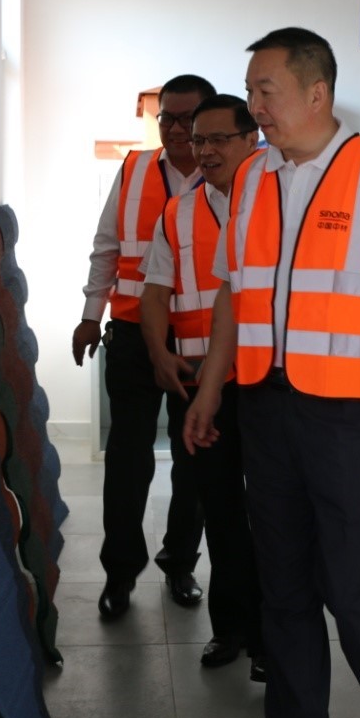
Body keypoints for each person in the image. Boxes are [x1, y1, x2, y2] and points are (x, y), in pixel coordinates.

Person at [183, 27, 360, 718]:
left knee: (351, 583)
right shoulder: (253, 177)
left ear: (316, 93)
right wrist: (210, 389)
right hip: (265, 409)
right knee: (282, 586)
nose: (255, 106)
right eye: (250, 91)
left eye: (265, 90)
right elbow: (232, 292)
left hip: (350, 416)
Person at [71, 74, 213, 619]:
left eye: (187, 119)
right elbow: (106, 245)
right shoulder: (133, 169)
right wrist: (90, 315)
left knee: (194, 458)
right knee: (128, 460)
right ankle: (120, 572)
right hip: (131, 333)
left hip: (198, 338)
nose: (176, 129)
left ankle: (180, 564)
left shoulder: (234, 174)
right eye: (167, 118)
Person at [139, 94, 266, 681]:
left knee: (272, 515)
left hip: (267, 385)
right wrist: (158, 352)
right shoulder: (178, 213)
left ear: (251, 141)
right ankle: (231, 628)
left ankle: (270, 640)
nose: (206, 150)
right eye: (199, 139)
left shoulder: (277, 203)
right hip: (201, 385)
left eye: (219, 139)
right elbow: (155, 291)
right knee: (220, 510)